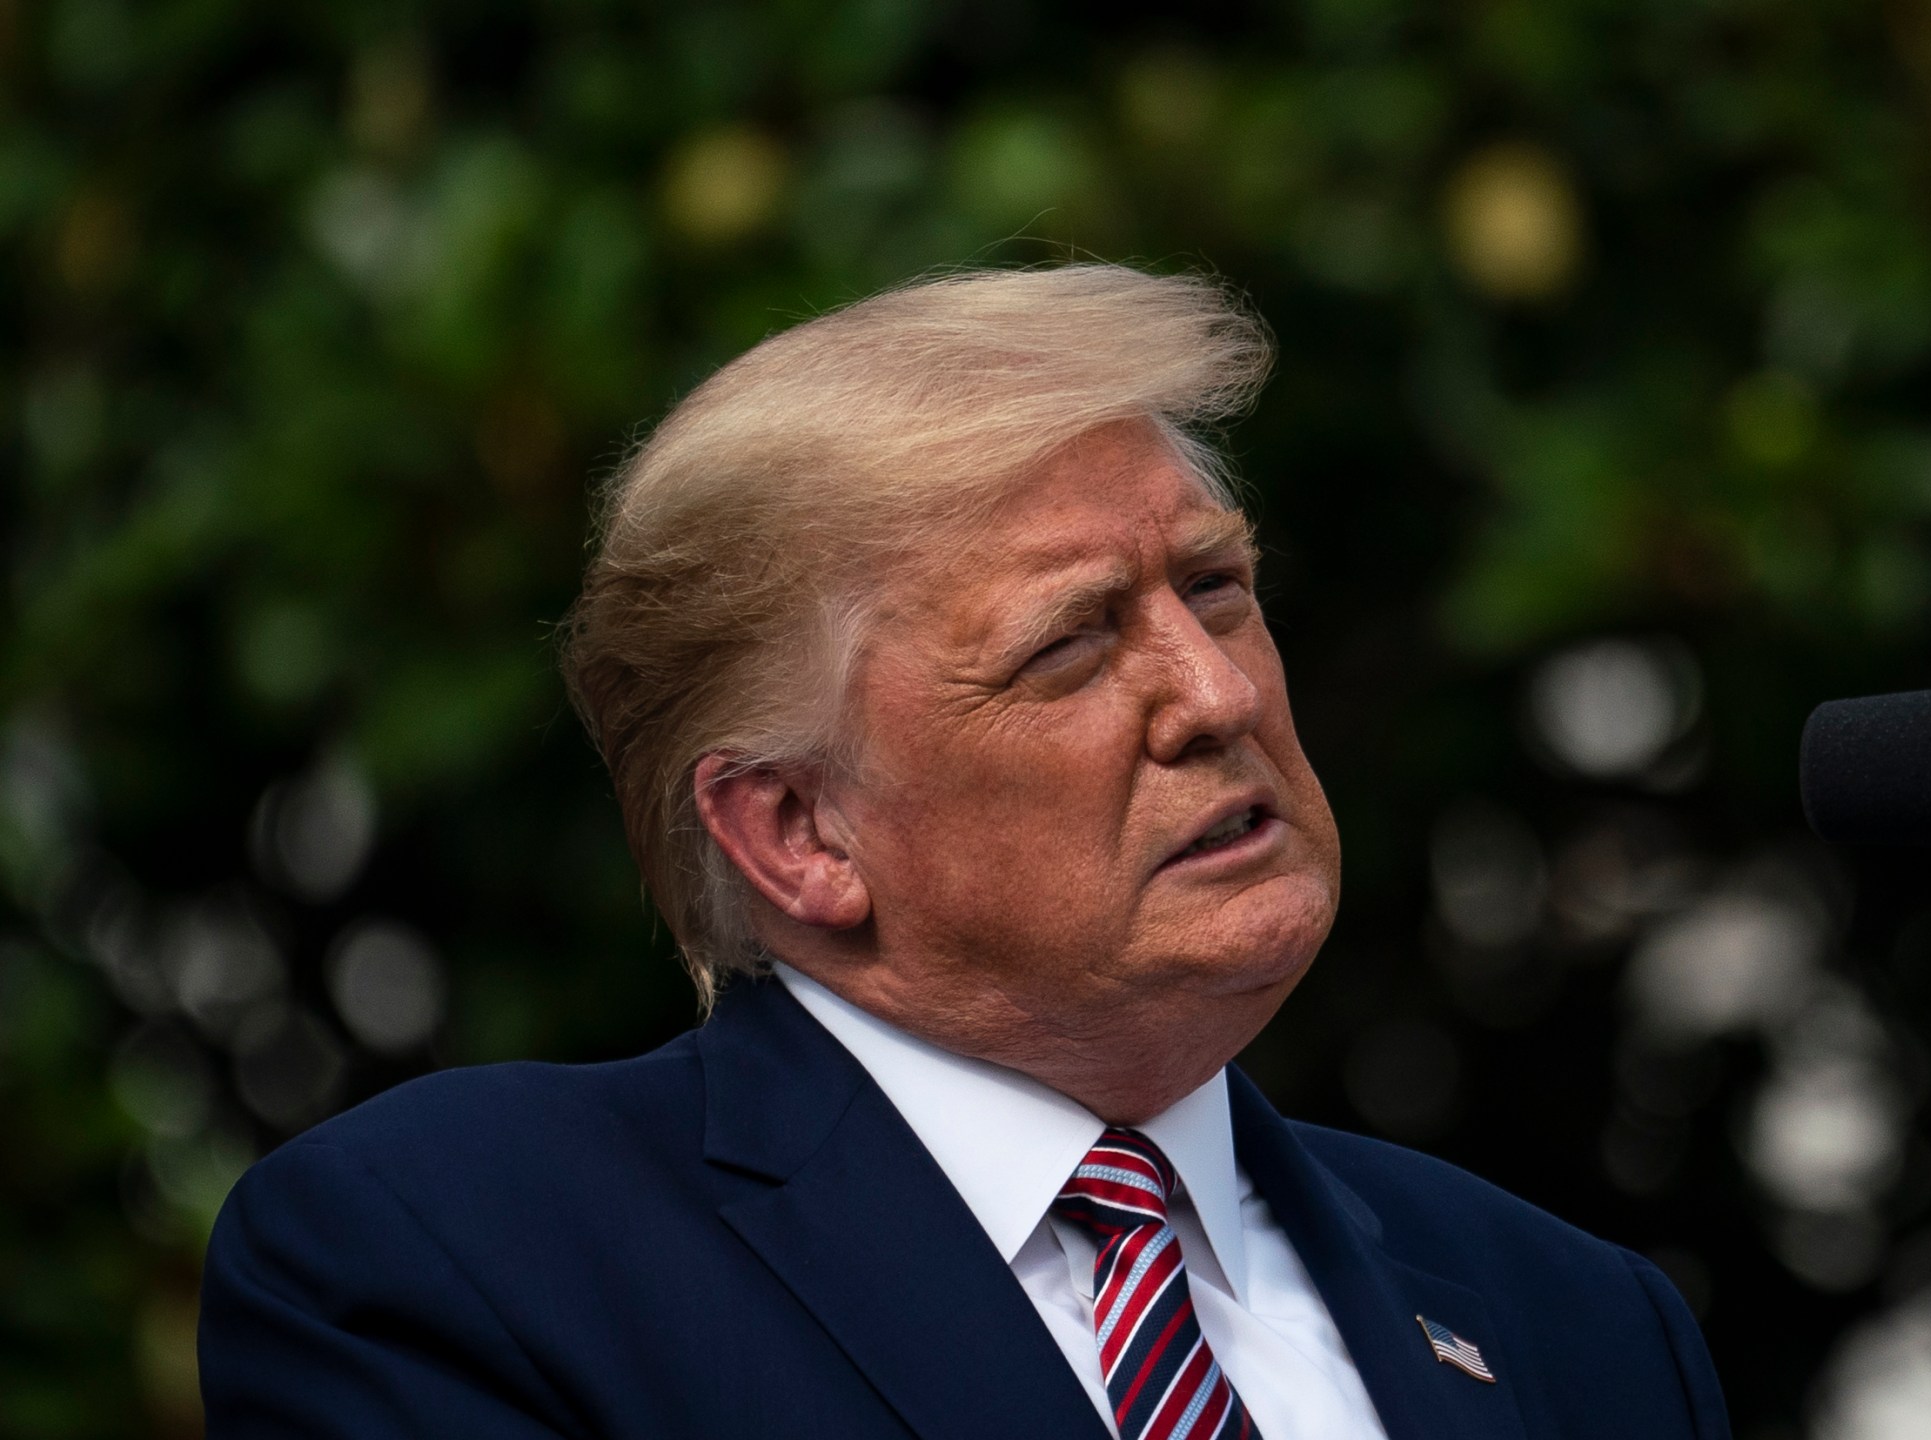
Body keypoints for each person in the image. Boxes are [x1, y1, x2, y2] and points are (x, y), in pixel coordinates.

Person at [198, 264, 1732, 1440]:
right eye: (1068, 648)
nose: (1216, 696)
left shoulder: (1577, 1324)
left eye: (1214, 586)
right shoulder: (459, 1261)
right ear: (800, 832)